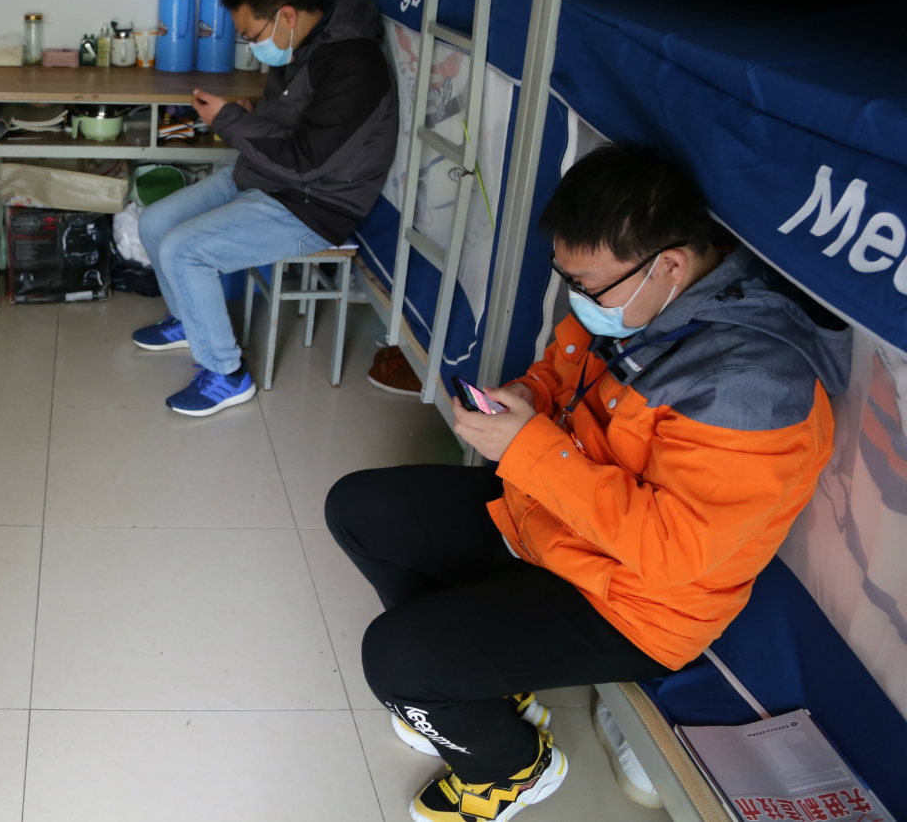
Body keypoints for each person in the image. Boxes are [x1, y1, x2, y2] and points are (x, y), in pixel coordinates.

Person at [325, 143, 849, 822]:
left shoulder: (754, 385)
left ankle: (511, 769)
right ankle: (478, 686)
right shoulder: (634, 298)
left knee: (396, 661)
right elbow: (562, 371)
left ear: (669, 265)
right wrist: (528, 396)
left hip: (635, 603)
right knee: (362, 509)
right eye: (567, 278)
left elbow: (673, 552)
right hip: (558, 523)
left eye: (589, 286)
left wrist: (528, 449)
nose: (579, 299)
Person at [133, 0, 397, 416]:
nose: (255, 48)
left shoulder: (355, 64)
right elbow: (297, 126)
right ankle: (189, 322)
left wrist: (230, 121)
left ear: (287, 15)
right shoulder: (306, 42)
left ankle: (227, 376)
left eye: (253, 36)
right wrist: (253, 116)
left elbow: (308, 161)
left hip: (314, 203)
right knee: (155, 222)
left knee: (184, 250)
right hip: (266, 176)